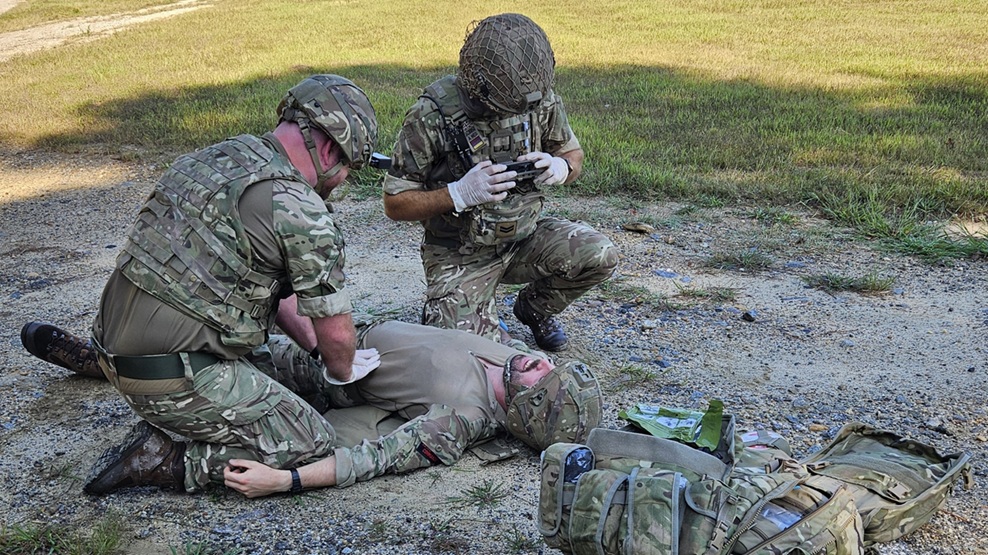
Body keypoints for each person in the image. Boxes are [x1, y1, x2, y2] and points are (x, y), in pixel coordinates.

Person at [20, 74, 383, 495]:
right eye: (347, 169)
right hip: (167, 370)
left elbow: (254, 285)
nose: (342, 182)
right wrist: (341, 368)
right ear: (328, 149)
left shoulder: (215, 159)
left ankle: (99, 364)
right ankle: (165, 460)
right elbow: (339, 342)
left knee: (285, 369)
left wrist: (316, 350)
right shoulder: (301, 210)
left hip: (117, 341)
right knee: (307, 440)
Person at [20, 319, 604, 497]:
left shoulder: (463, 419)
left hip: (319, 380)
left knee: (250, 386)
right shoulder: (513, 358)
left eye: (543, 379)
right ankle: (100, 360)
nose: (541, 363)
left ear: (526, 413)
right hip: (336, 338)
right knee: (204, 339)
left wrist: (287, 480)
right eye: (549, 366)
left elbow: (377, 458)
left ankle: (167, 463)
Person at [382, 13, 619, 352]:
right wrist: (458, 193)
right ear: (480, 81)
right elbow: (395, 202)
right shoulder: (432, 114)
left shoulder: (538, 98)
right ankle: (452, 308)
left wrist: (561, 166)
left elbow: (571, 151)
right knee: (481, 356)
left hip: (523, 237)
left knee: (600, 254)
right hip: (459, 251)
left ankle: (535, 309)